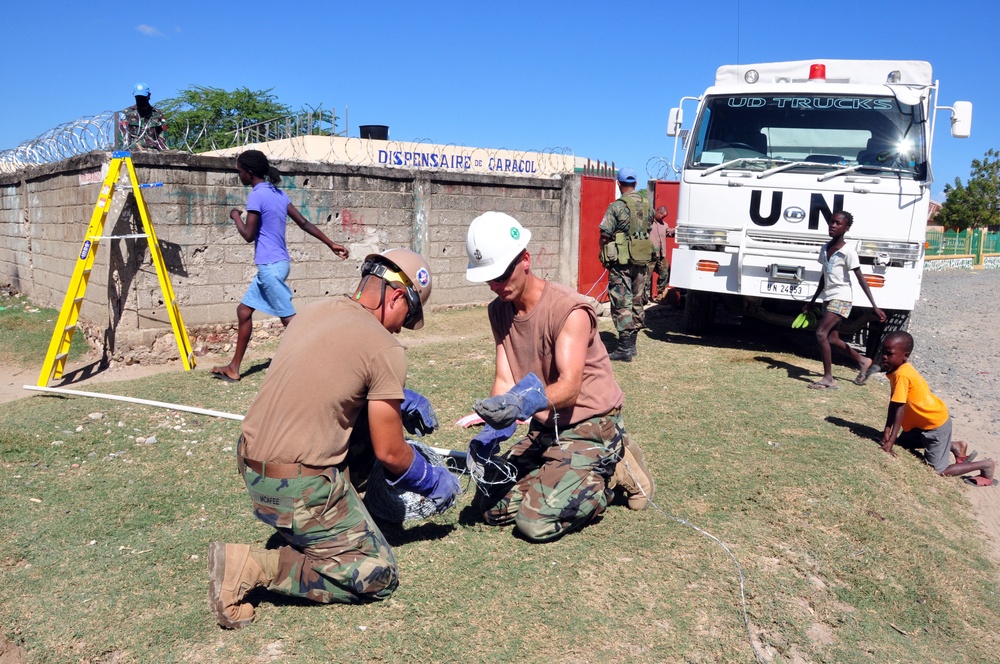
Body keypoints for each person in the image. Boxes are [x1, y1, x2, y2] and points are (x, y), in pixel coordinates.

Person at [207, 248, 460, 629]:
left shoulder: (314, 312)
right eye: (406, 318)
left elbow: (324, 381)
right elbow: (391, 452)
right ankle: (255, 567)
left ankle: (340, 518)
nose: (399, 329)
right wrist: (430, 478)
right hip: (295, 486)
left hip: (253, 466)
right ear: (395, 297)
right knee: (377, 574)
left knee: (360, 427)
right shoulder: (384, 346)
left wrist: (398, 397)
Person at [463, 211, 656, 543]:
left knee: (534, 523)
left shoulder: (570, 310)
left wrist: (521, 403)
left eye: (502, 274)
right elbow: (505, 378)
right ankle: (560, 473)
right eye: (489, 279)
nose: (496, 286)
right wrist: (493, 431)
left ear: (525, 259)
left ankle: (612, 469)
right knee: (489, 505)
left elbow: (568, 388)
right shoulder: (499, 310)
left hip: (589, 424)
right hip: (546, 427)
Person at [211, 150, 349, 382]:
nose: (239, 176)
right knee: (244, 311)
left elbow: (248, 234)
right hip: (280, 263)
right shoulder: (278, 194)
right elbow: (304, 223)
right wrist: (330, 243)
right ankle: (234, 368)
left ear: (250, 172)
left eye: (240, 171)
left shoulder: (257, 195)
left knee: (290, 321)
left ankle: (331, 362)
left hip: (269, 267)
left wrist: (236, 216)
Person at [878, 331, 996, 487]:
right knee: (903, 443)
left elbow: (900, 409)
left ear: (905, 356)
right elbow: (894, 403)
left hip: (935, 426)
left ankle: (986, 465)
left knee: (939, 470)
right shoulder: (897, 370)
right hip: (920, 426)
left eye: (889, 353)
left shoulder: (902, 375)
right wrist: (887, 430)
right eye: (883, 352)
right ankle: (954, 446)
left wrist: (890, 441)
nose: (884, 356)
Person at [803, 210, 886, 389]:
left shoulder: (848, 251)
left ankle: (828, 378)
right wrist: (813, 301)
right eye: (831, 222)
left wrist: (874, 306)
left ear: (846, 228)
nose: (833, 225)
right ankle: (863, 361)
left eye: (838, 223)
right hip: (829, 297)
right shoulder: (825, 249)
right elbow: (824, 277)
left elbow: (860, 278)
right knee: (832, 338)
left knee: (820, 334)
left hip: (842, 298)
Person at [599, 167, 654, 362]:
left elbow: (605, 234)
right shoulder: (648, 206)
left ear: (618, 183)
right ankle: (632, 346)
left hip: (621, 262)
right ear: (636, 184)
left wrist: (604, 252)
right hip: (641, 260)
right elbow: (648, 228)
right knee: (638, 301)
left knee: (621, 301)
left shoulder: (616, 206)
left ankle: (623, 348)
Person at [119, 82, 168, 150]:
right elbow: (123, 138)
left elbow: (163, 137)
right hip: (133, 153)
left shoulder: (157, 114)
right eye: (138, 97)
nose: (140, 99)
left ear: (149, 96)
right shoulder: (127, 114)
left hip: (154, 153)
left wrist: (164, 152)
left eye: (142, 97)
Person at [645, 205, 674, 304]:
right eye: (662, 215)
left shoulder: (664, 225)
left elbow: (669, 232)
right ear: (657, 212)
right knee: (646, 276)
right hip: (650, 254)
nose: (663, 217)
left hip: (661, 254)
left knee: (665, 272)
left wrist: (676, 231)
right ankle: (644, 297)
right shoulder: (649, 223)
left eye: (664, 216)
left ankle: (660, 294)